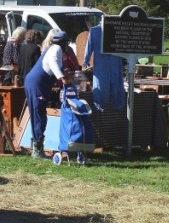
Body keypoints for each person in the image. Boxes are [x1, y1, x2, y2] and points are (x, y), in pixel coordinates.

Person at [24, 29, 72, 159]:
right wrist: (62, 77)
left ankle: (36, 147)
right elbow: (52, 63)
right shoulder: (56, 48)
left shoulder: (52, 48)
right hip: (37, 84)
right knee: (39, 115)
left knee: (37, 114)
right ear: (63, 43)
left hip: (35, 83)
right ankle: (37, 151)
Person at [83, 21, 125, 111]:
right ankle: (116, 105)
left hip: (102, 65)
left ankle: (100, 106)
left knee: (101, 86)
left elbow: (89, 46)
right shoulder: (117, 30)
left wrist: (86, 60)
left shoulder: (94, 31)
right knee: (115, 85)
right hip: (113, 64)